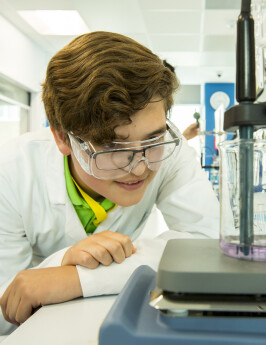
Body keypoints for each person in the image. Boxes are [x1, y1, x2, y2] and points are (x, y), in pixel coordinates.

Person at [0, 31, 219, 335]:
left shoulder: (170, 150)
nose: (141, 167)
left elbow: (212, 248)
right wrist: (61, 260)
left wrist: (74, 277)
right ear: (63, 138)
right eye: (115, 148)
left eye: (153, 138)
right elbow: (6, 308)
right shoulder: (10, 171)